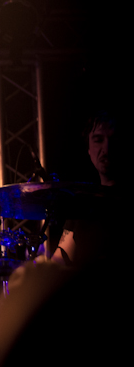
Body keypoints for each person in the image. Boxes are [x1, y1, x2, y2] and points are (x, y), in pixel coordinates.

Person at [50, 110, 123, 266]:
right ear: (88, 149)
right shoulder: (83, 204)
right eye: (98, 140)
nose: (106, 148)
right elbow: (60, 260)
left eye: (114, 139)